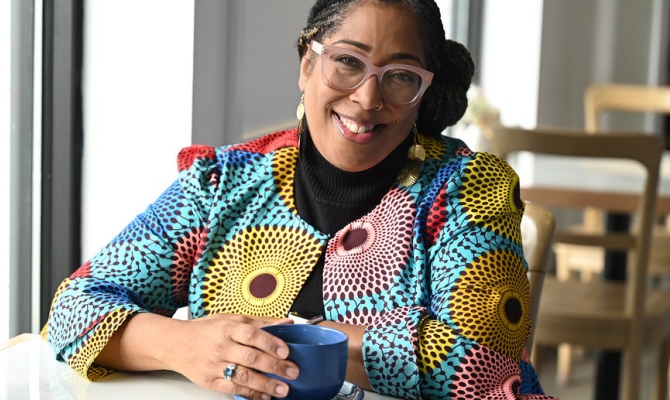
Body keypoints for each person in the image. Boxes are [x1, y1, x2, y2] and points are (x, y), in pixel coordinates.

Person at [42, 1, 557, 399]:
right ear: (306, 65)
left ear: (424, 90)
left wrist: (283, 340)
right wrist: (186, 344)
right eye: (347, 63)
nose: (367, 99)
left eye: (400, 77)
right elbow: (73, 309)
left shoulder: (468, 189)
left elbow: (485, 365)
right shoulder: (222, 183)